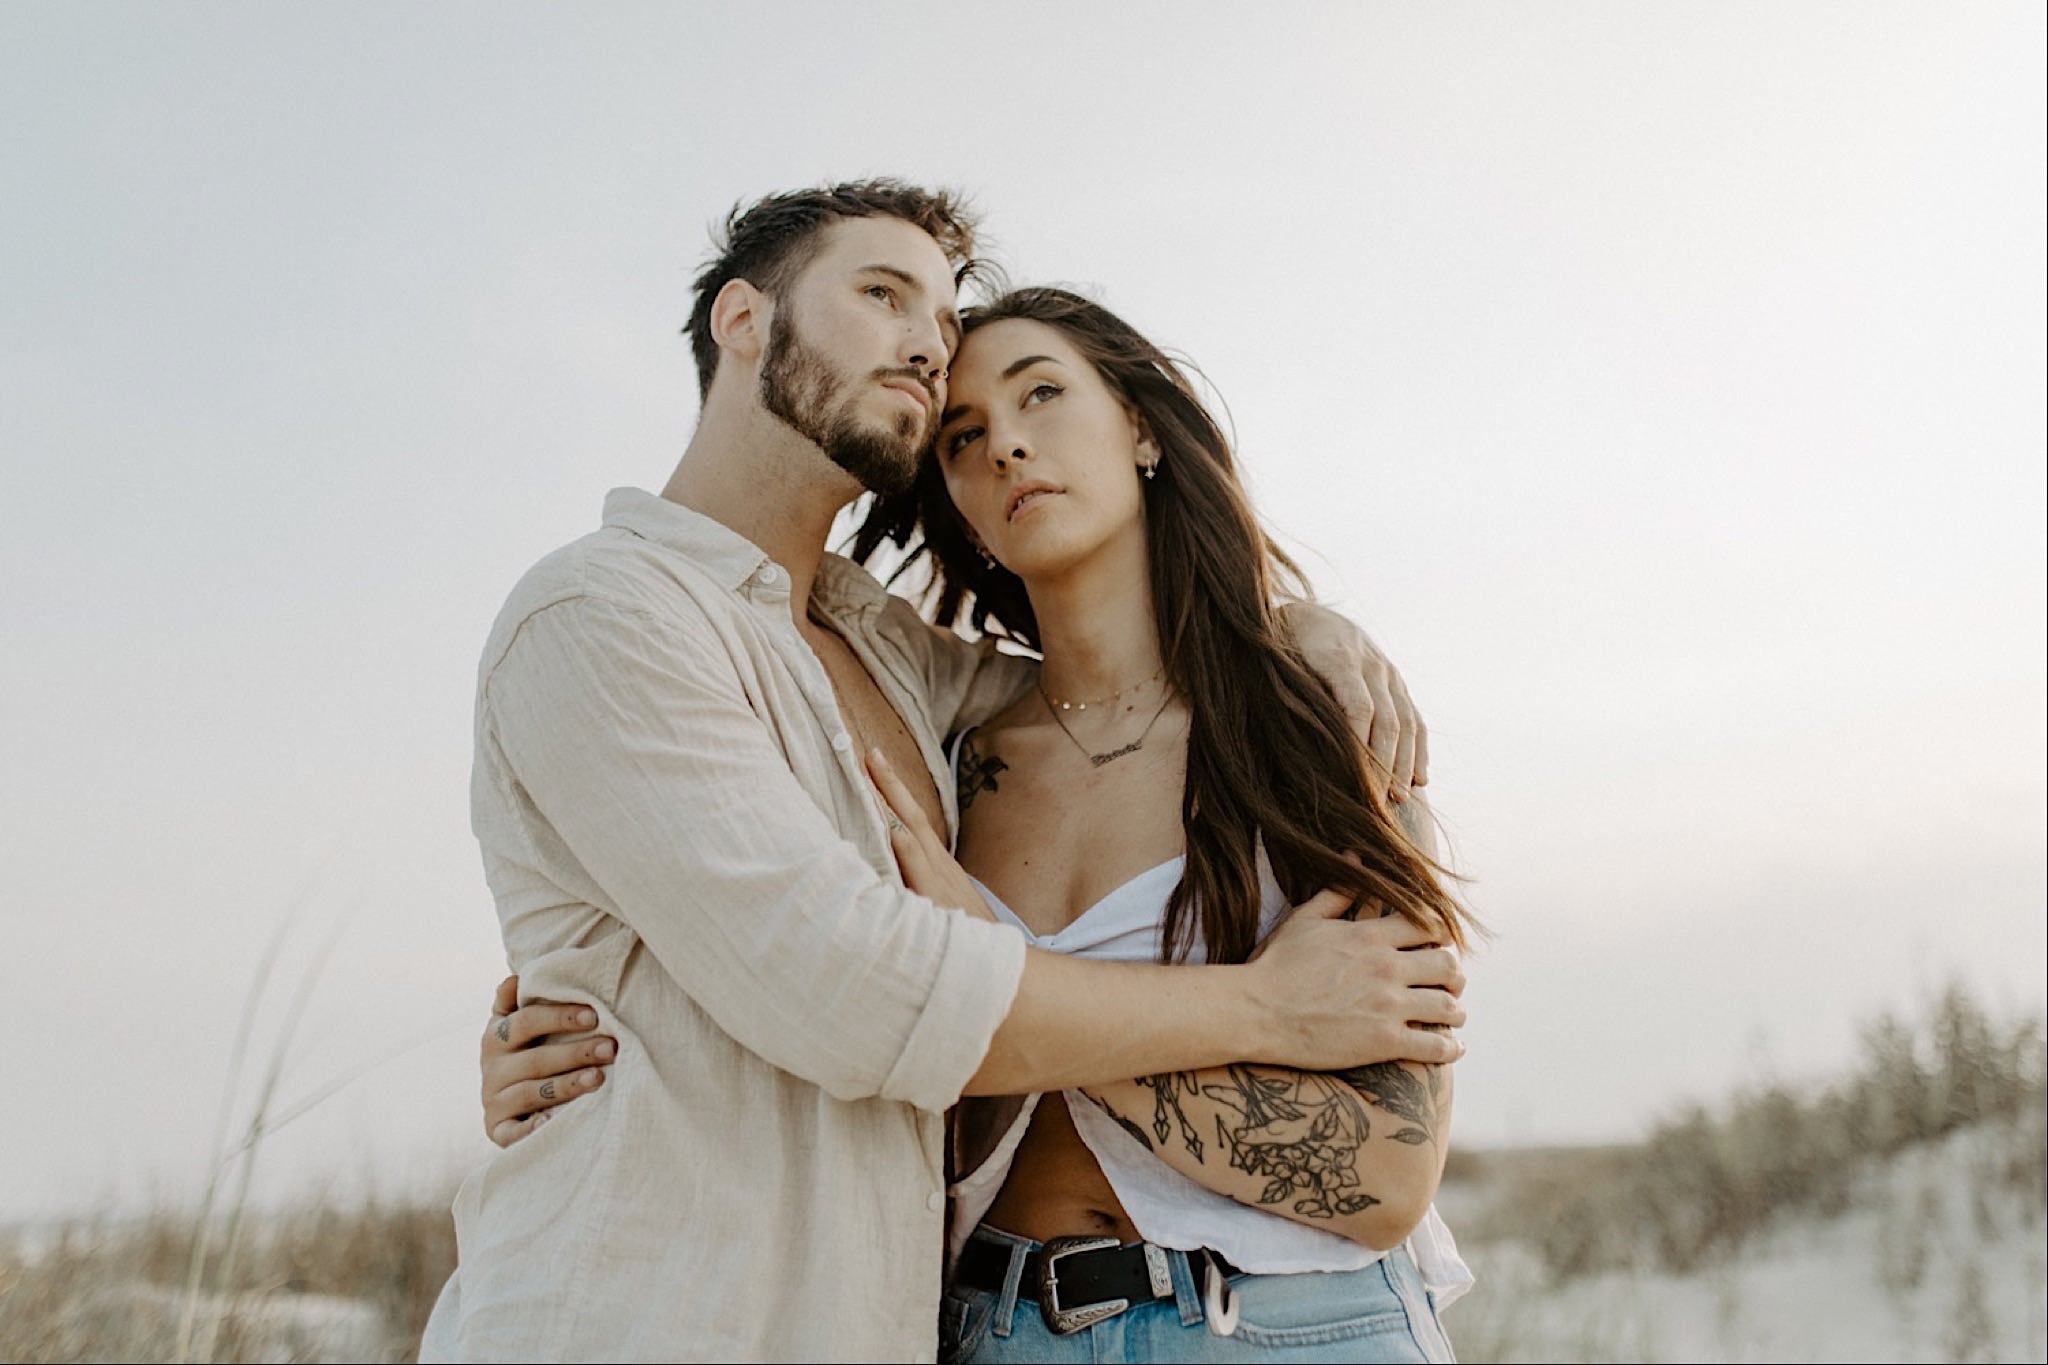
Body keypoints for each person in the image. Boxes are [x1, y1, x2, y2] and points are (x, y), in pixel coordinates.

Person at [424, 180, 1465, 1365]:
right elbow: (853, 990)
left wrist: (1295, 626)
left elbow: (1119, 673)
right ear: (741, 321)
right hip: (661, 1316)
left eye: (954, 327)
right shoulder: (602, 613)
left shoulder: (897, 662)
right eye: (881, 295)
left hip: (1155, 1324)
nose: (928, 345)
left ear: (1137, 427)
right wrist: (1268, 1008)